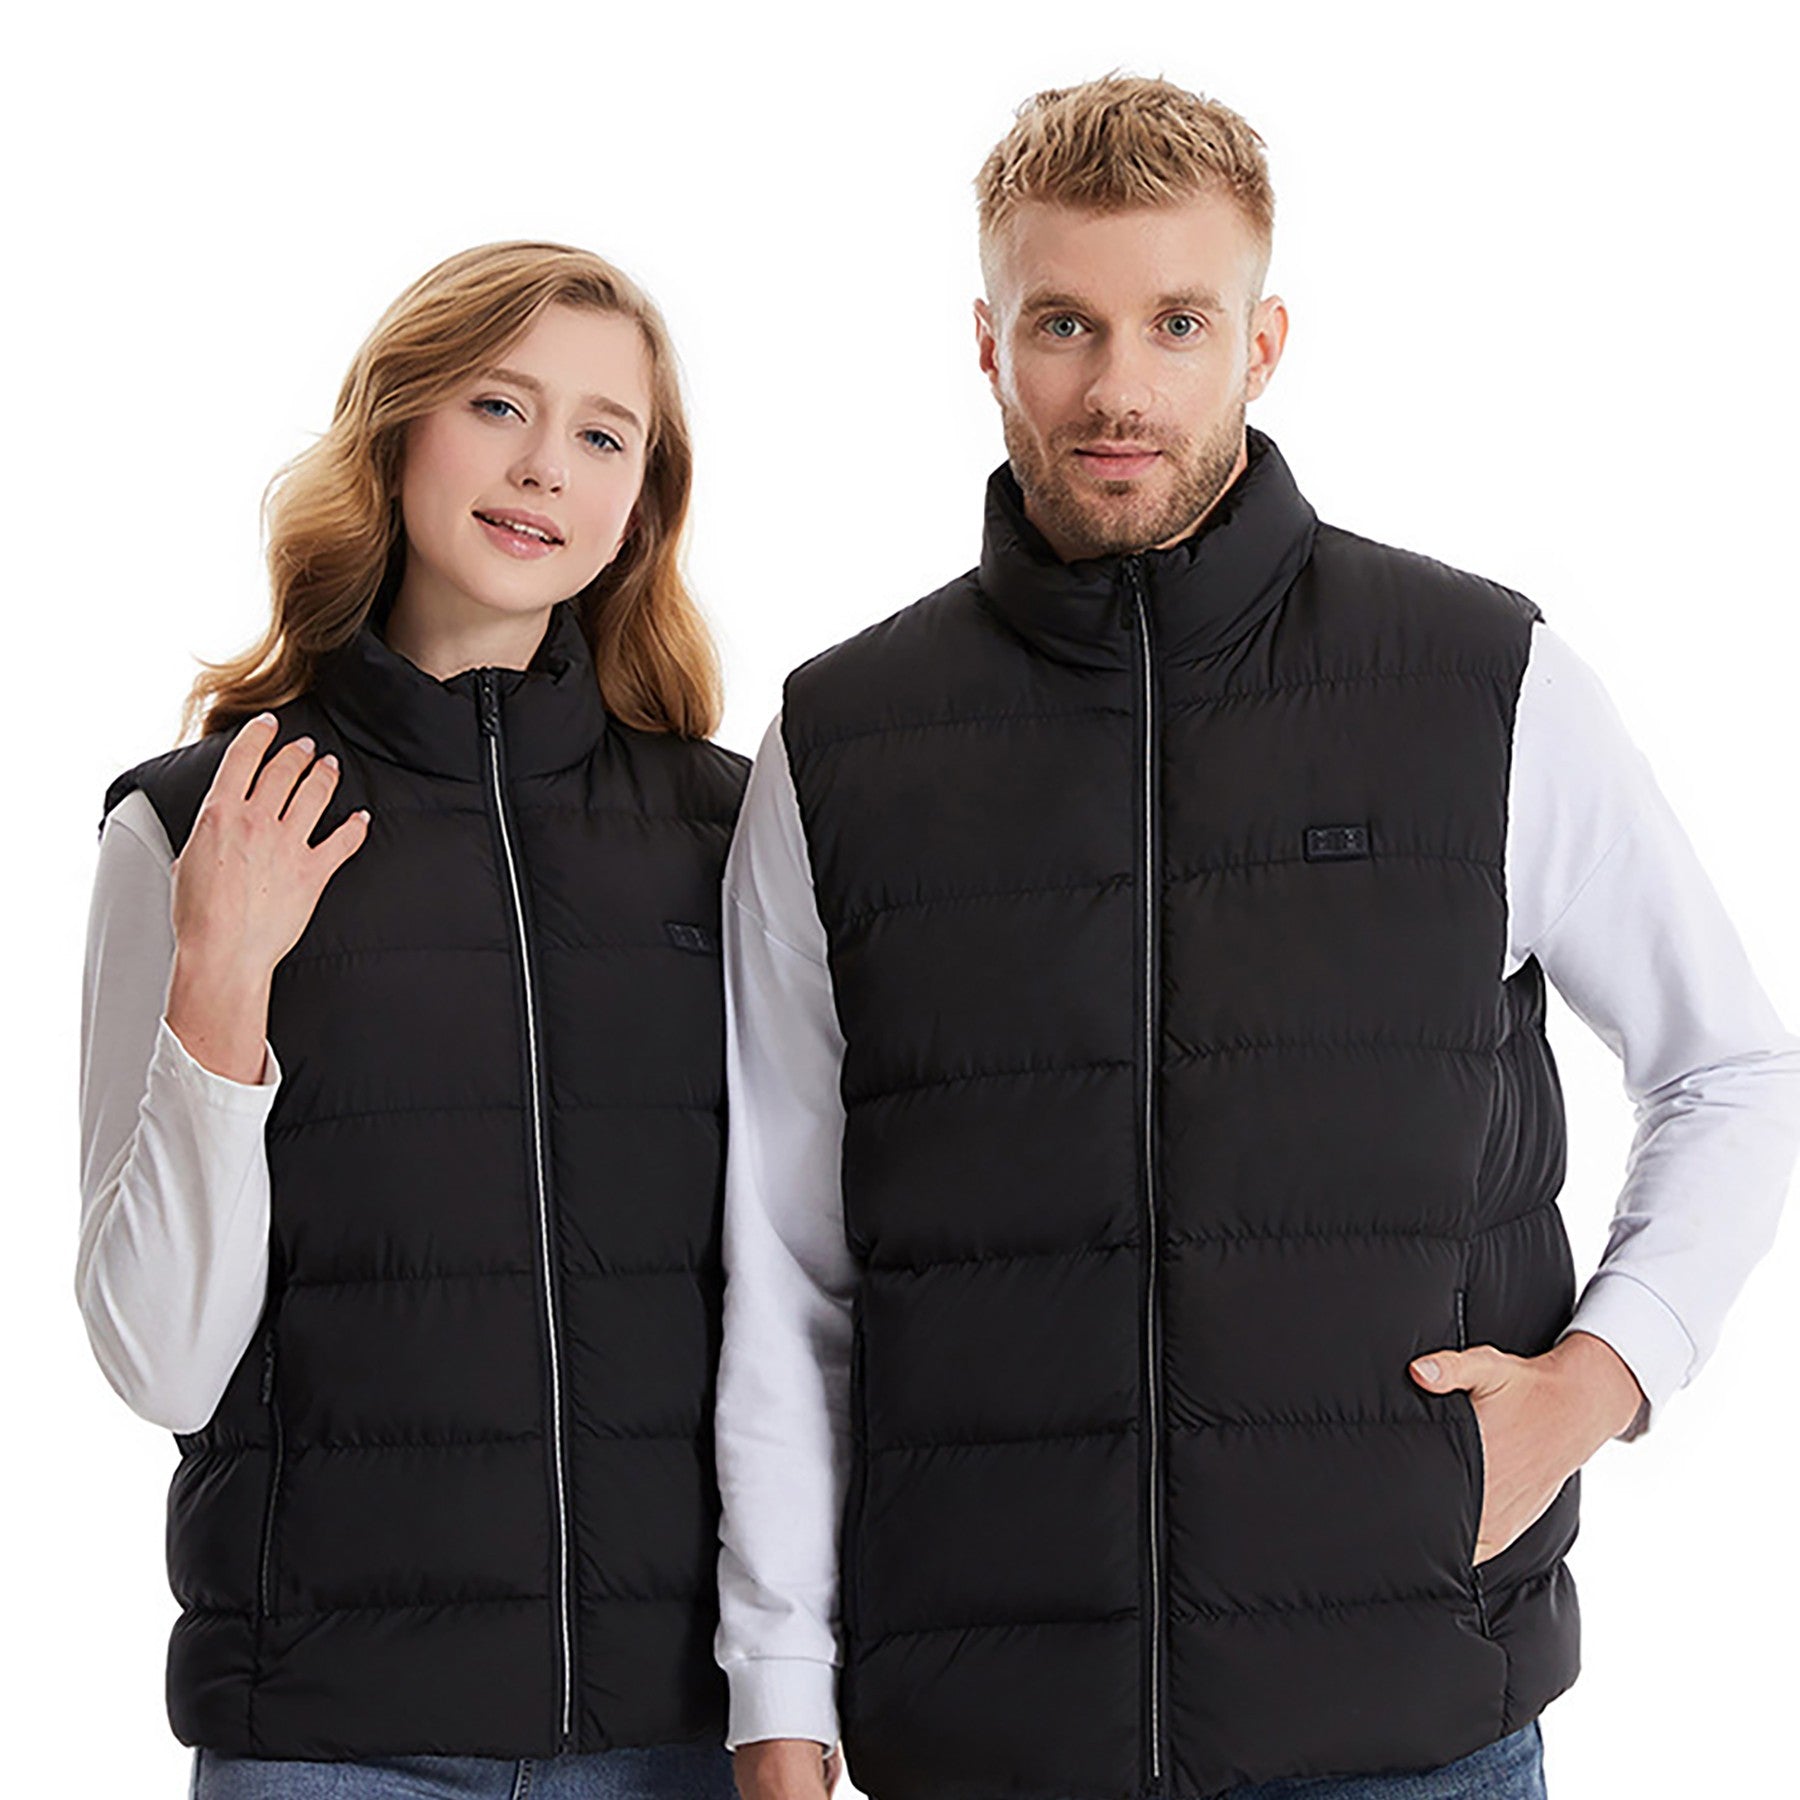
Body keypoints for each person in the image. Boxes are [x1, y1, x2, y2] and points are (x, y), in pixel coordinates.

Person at [710, 76, 1800, 1800]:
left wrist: (1600, 1381)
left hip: (1408, 1725)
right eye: (1063, 323)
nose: (1119, 388)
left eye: (1177, 322)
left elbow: (1732, 1066)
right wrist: (780, 1694)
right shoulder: (843, 746)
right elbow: (786, 1262)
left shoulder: (1476, 683)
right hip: (989, 1733)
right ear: (986, 343)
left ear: (1262, 344)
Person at [77, 240, 754, 1799]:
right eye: (498, 405)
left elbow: (806, 1284)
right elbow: (161, 1358)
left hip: (670, 1734)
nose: (545, 466)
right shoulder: (199, 821)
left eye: (603, 434)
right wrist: (223, 971)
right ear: (395, 434)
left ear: (643, 502)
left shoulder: (729, 833)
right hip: (333, 1743)